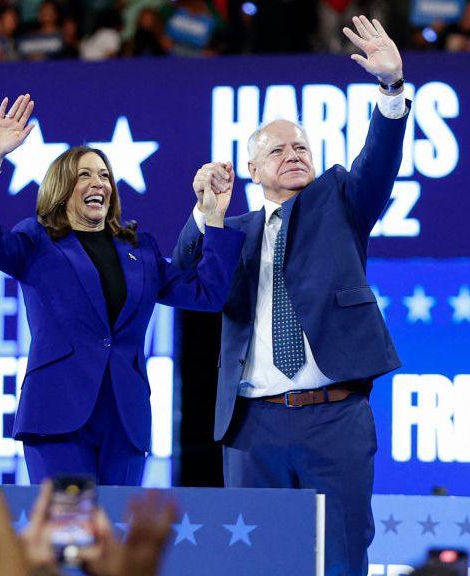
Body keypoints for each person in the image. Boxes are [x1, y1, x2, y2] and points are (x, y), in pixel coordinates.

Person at [173, 16, 408, 576]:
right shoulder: (234, 233)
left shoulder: (341, 202)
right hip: (253, 427)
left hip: (335, 420)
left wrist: (392, 89)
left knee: (344, 560)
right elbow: (183, 277)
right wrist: (206, 214)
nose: (295, 155)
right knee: (258, 566)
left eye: (301, 146)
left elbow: (379, 160)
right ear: (252, 169)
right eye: (278, 151)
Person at [0, 94, 244, 486]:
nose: (99, 184)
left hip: (125, 419)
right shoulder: (36, 241)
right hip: (57, 417)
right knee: (66, 537)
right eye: (85, 176)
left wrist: (213, 217)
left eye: (105, 175)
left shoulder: (139, 249)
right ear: (62, 187)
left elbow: (207, 295)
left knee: (117, 541)